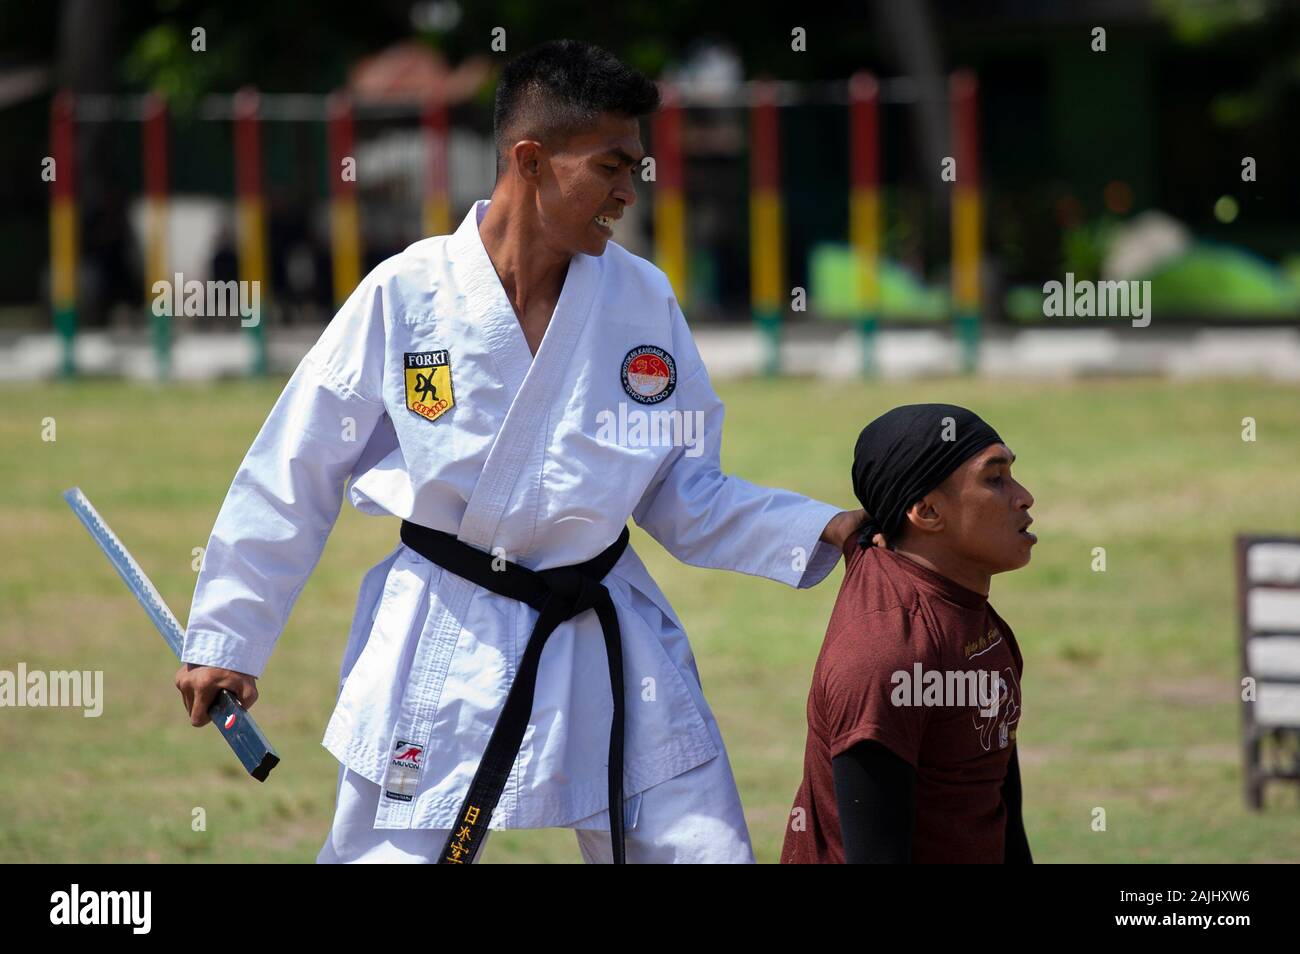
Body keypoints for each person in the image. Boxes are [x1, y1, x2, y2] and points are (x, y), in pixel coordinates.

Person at [174, 39, 865, 865]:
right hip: (445, 627)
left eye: (636, 169)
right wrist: (226, 637)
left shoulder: (642, 298)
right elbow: (296, 469)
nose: (627, 192)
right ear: (530, 159)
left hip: (605, 627)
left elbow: (684, 489)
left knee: (703, 849)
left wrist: (818, 528)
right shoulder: (408, 294)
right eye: (610, 166)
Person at [781, 403, 1034, 864]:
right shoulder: (888, 655)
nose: (1024, 497)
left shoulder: (967, 608)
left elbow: (1002, 812)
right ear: (926, 511)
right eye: (994, 479)